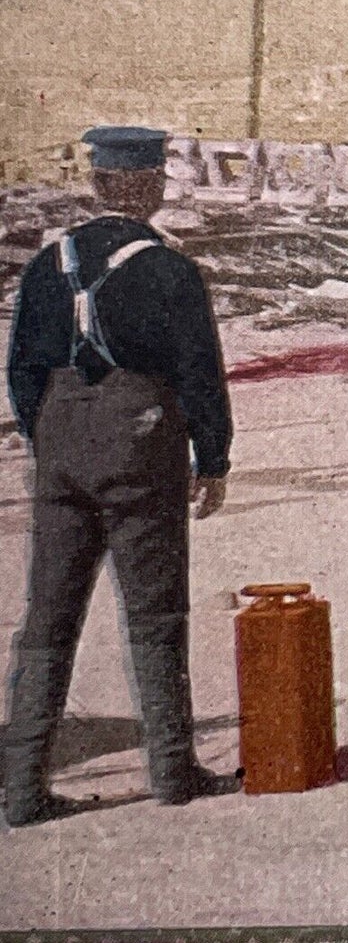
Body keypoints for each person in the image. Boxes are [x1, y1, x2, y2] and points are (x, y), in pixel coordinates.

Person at [4, 126, 239, 827]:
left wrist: (50, 437)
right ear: (150, 186)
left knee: (46, 621)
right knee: (155, 611)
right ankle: (172, 772)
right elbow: (200, 373)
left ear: (99, 185)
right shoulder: (170, 269)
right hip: (143, 450)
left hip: (63, 451)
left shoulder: (50, 264)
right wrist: (214, 457)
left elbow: (20, 372)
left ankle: (21, 788)